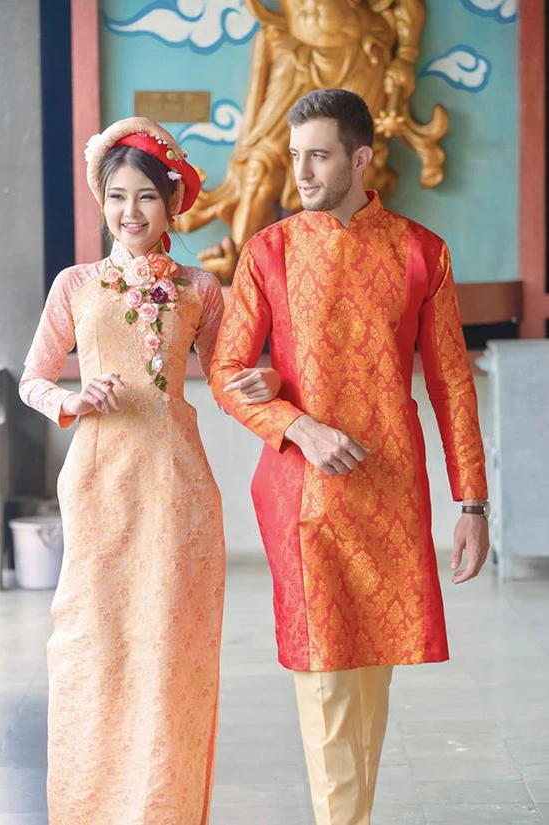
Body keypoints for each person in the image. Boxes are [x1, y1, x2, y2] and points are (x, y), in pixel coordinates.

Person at [209, 89, 490, 825]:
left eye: (319, 156)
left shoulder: (421, 252)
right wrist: (299, 427)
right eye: (295, 156)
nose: (300, 172)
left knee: (369, 681)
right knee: (326, 677)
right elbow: (225, 371)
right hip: (304, 495)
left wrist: (473, 502)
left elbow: (452, 383)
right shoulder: (268, 252)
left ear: (361, 158)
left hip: (391, 492)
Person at [19, 117, 281, 825]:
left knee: (171, 647)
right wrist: (73, 399)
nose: (129, 211)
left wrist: (262, 384)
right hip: (99, 482)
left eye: (145, 197)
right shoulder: (75, 285)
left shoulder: (199, 288)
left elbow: (225, 378)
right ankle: (89, 807)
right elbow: (32, 379)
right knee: (92, 644)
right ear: (101, 202)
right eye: (116, 197)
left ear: (170, 203)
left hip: (176, 484)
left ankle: (162, 808)